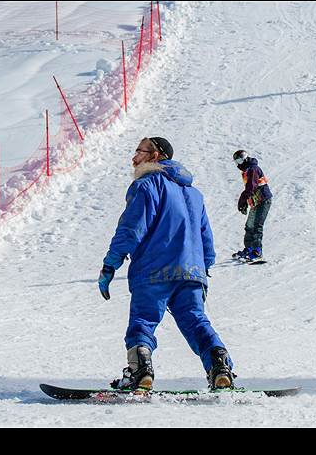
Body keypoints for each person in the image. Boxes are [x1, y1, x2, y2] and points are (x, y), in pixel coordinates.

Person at [98, 137, 235, 391]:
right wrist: (201, 271)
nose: (134, 158)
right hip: (191, 272)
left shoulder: (147, 184)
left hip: (154, 270)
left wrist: (109, 265)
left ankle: (140, 372)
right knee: (196, 322)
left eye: (139, 152)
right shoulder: (194, 194)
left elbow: (131, 230)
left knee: (143, 320)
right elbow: (207, 242)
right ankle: (220, 368)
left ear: (154, 156)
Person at [232, 150, 272, 261]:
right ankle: (249, 248)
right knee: (249, 226)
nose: (239, 164)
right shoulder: (247, 169)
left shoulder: (253, 169)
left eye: (240, 160)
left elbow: (251, 187)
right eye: (236, 162)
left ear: (245, 159)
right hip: (256, 201)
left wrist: (242, 200)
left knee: (256, 226)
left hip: (263, 200)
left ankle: (257, 251)